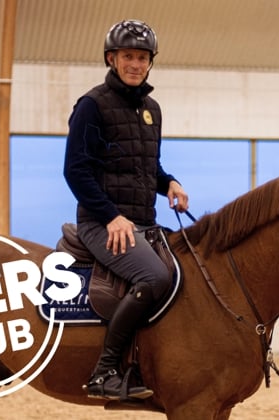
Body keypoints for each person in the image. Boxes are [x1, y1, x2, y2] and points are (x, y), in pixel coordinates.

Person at [63, 19, 189, 401]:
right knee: (153, 279)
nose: (135, 64)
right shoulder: (91, 105)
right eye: (128, 56)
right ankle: (105, 372)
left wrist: (169, 183)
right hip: (102, 224)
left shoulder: (152, 110)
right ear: (111, 59)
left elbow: (145, 167)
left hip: (143, 222)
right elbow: (75, 170)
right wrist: (110, 216)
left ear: (150, 63)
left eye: (142, 57)